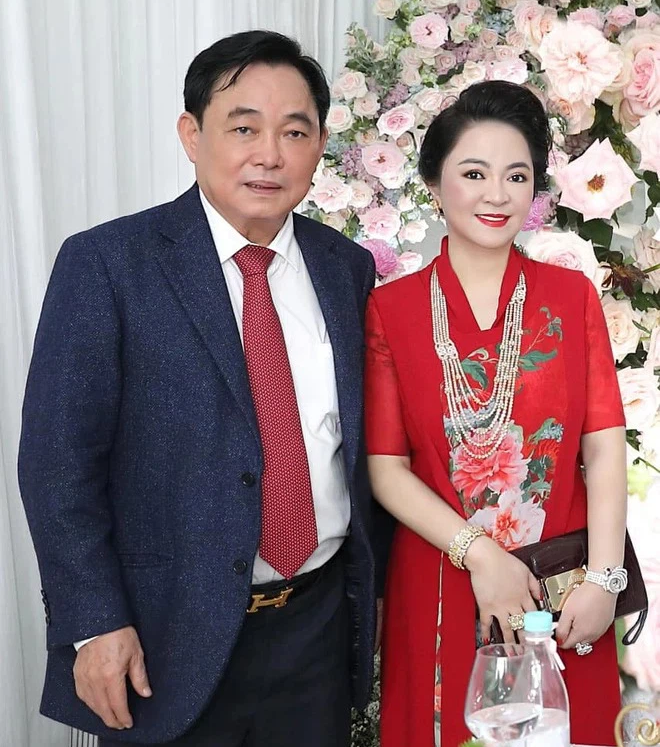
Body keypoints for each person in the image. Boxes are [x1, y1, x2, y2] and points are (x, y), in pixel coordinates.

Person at [18, 30, 378, 747]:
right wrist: (94, 621)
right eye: (243, 128)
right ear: (191, 134)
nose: (269, 154)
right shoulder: (109, 263)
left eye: (294, 131)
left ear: (319, 146)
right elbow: (57, 462)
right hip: (163, 638)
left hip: (316, 632)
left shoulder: (346, 267)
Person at [365, 80, 627, 747]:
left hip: (565, 593)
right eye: (474, 173)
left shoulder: (570, 296)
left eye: (517, 176)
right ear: (434, 182)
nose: (497, 194)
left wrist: (604, 580)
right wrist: (480, 555)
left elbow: (602, 447)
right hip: (442, 579)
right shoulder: (391, 310)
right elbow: (387, 469)